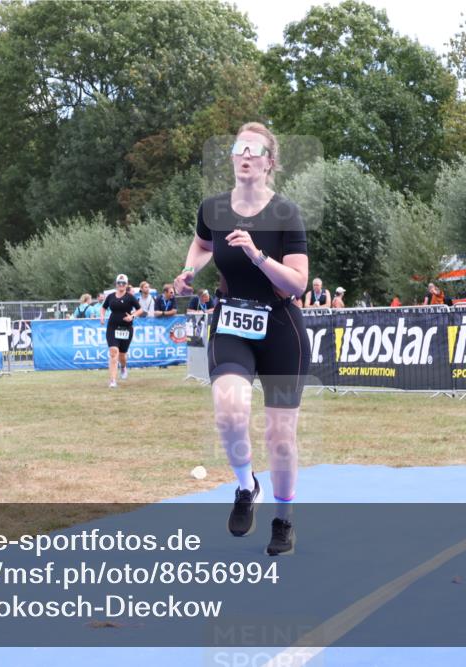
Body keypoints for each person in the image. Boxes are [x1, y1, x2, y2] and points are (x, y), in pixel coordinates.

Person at [174, 121, 310, 557]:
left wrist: (257, 254)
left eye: (255, 150)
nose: (246, 155)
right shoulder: (213, 208)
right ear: (232, 159)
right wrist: (189, 270)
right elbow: (201, 245)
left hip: (280, 328)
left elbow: (297, 284)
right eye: (239, 148)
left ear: (270, 163)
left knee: (280, 437)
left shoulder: (286, 213)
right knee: (230, 412)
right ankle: (246, 485)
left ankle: (284, 519)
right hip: (231, 323)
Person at [100, 273, 143, 388]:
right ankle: (113, 381)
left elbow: (140, 310)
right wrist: (102, 316)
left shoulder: (130, 297)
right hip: (112, 327)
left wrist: (132, 316)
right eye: (119, 283)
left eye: (123, 283)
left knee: (122, 355)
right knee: (114, 352)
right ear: (116, 284)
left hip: (126, 328)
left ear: (126, 284)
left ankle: (123, 367)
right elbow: (103, 308)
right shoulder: (110, 296)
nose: (121, 285)